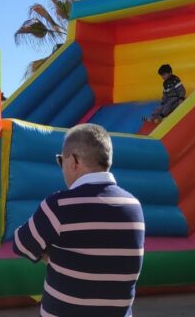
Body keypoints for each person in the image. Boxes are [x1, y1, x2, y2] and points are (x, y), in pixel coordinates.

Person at [13, 123, 145, 316]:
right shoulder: (134, 206)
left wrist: (51, 255)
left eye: (61, 160)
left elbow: (20, 244)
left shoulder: (59, 205)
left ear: (73, 161)